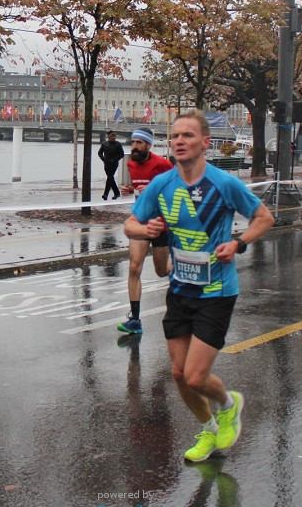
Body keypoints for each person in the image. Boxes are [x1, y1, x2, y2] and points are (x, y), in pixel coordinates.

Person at [124, 112, 275, 463]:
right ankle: (209, 429)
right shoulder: (163, 186)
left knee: (194, 376)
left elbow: (264, 217)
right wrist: (144, 231)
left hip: (216, 293)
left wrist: (238, 243)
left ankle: (228, 404)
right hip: (181, 290)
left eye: (188, 135)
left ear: (205, 143)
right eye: (175, 135)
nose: (179, 141)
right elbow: (130, 223)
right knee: (178, 374)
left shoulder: (224, 184)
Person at [116, 128, 174, 334]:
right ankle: (135, 319)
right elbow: (139, 187)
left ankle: (184, 273)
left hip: (160, 225)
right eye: (133, 142)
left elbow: (175, 191)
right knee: (134, 268)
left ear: (148, 145)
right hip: (141, 224)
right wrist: (130, 190)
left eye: (139, 143)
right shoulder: (131, 163)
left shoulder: (163, 165)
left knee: (161, 271)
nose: (135, 147)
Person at [98, 130, 125, 200]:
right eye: (111, 136)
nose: (113, 137)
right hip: (106, 164)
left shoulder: (118, 144)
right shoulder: (104, 144)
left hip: (114, 164)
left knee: (110, 177)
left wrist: (115, 159)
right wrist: (103, 159)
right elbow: (100, 153)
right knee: (111, 178)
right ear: (109, 137)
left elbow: (121, 154)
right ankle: (117, 193)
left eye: (114, 136)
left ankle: (105, 194)